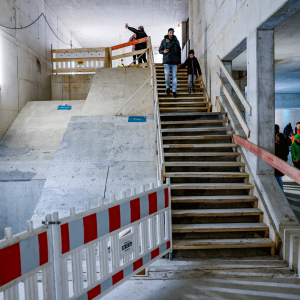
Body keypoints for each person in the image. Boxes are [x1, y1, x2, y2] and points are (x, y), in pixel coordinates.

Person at [158, 28, 181, 98]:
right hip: (166, 61)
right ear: (168, 33)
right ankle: (168, 88)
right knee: (167, 75)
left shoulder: (176, 41)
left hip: (174, 62)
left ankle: (174, 91)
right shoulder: (164, 41)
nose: (171, 34)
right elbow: (160, 50)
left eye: (172, 32)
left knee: (174, 77)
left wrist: (179, 62)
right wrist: (163, 51)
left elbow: (179, 51)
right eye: (170, 32)